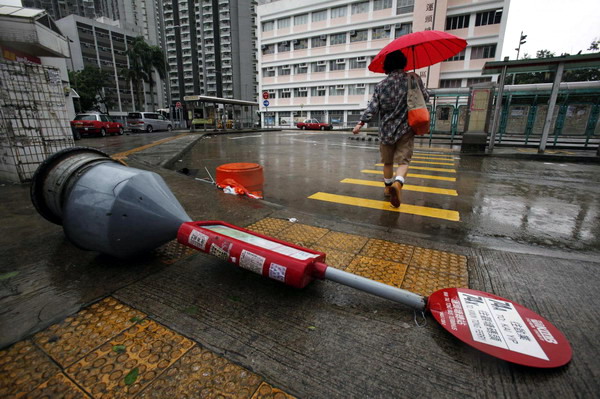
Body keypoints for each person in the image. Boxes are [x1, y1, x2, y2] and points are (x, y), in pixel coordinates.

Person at [352, 50, 429, 208]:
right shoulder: (413, 78)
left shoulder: (381, 85)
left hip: (386, 129)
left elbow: (373, 107)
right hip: (406, 128)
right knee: (403, 161)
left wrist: (360, 123)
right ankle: (398, 184)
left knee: (387, 162)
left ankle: (388, 188)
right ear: (403, 63)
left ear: (387, 65)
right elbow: (425, 97)